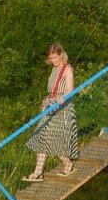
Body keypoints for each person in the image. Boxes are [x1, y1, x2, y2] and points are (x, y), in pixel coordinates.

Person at [23, 43, 79, 180]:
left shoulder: (68, 69)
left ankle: (67, 164)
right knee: (42, 136)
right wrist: (46, 101)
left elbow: (70, 90)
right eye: (50, 58)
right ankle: (38, 172)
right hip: (49, 106)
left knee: (53, 139)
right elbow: (52, 89)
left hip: (62, 108)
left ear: (61, 55)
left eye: (54, 57)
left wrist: (61, 97)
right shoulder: (54, 69)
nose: (52, 61)